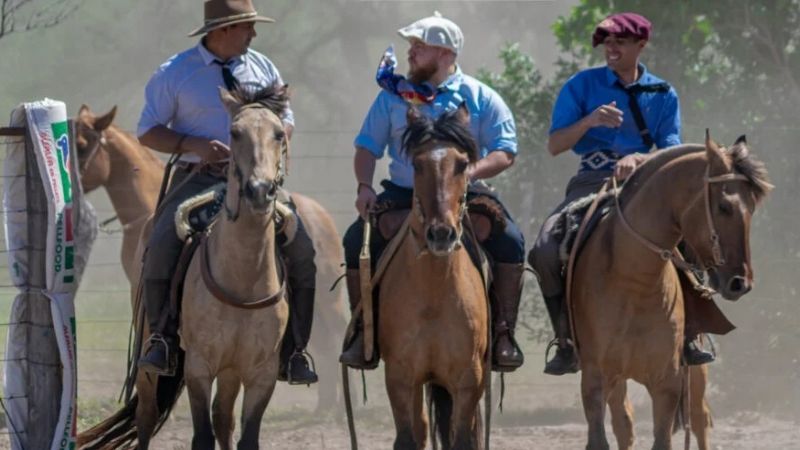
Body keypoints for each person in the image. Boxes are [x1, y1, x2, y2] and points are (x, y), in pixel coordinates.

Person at [135, 0, 318, 385]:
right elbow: (148, 131)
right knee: (163, 240)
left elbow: (286, 121)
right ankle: (162, 339)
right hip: (198, 177)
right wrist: (194, 145)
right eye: (247, 26)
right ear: (223, 29)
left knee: (302, 248)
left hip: (258, 181)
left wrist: (268, 148)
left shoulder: (263, 66)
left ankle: (295, 350)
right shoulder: (176, 72)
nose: (254, 33)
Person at [529, 12, 714, 376]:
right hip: (590, 182)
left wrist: (639, 158)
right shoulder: (582, 85)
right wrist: (590, 121)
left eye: (620, 42)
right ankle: (566, 341)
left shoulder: (662, 92)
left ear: (641, 45)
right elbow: (555, 144)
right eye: (607, 42)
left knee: (694, 240)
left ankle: (691, 333)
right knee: (545, 250)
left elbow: (671, 147)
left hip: (647, 184)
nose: (611, 49)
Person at [339, 12, 526, 372]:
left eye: (419, 47)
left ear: (445, 54)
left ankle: (503, 333)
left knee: (512, 241)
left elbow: (505, 151)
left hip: (465, 192)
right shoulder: (391, 98)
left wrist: (466, 173)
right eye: (412, 46)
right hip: (403, 192)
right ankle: (363, 330)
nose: (410, 53)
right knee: (354, 241)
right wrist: (364, 186)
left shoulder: (480, 96)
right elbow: (367, 148)